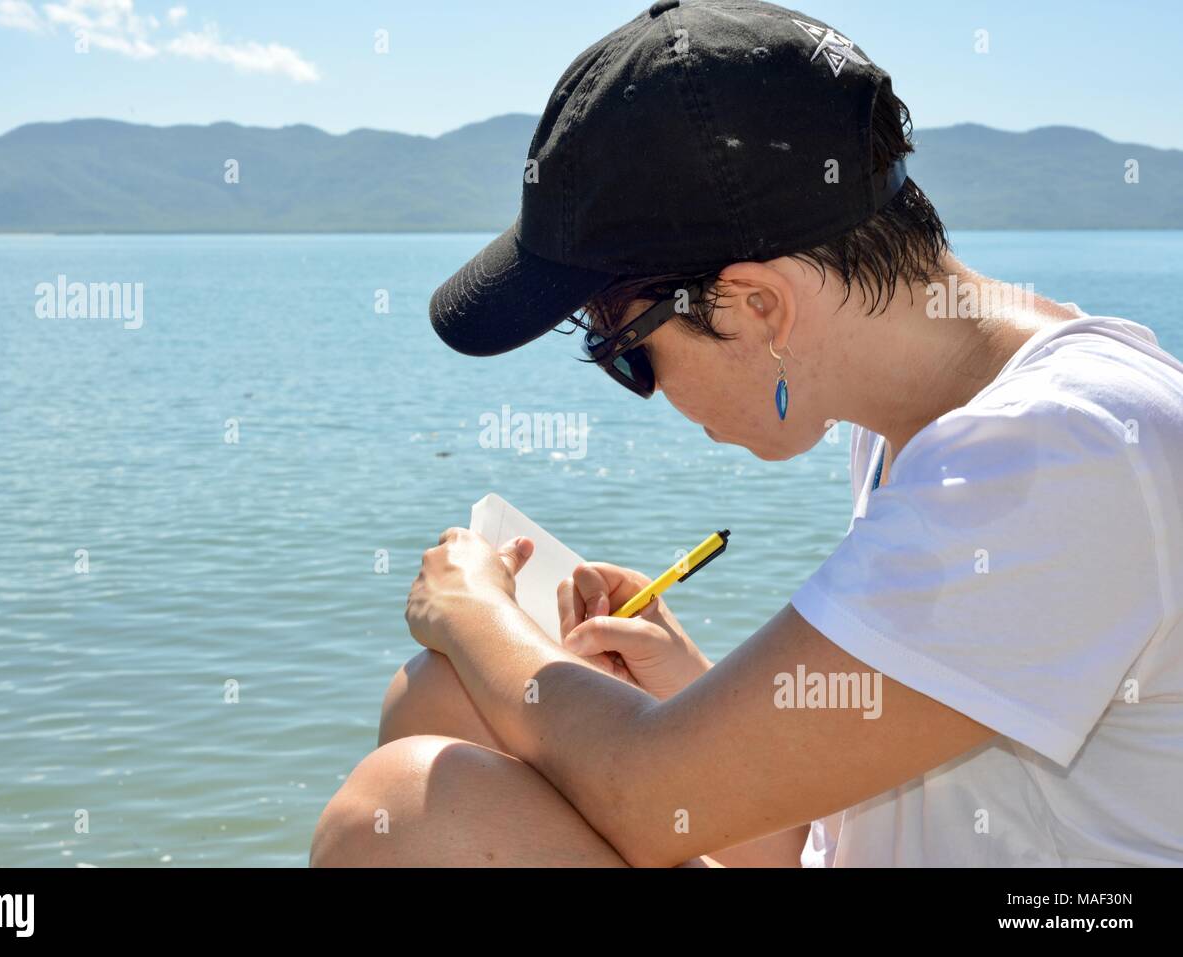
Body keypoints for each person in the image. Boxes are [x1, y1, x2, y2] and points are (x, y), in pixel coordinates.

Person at [311, 0, 1183, 867]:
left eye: (623, 348)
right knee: (444, 699)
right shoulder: (923, 421)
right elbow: (856, 820)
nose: (642, 393)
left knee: (394, 809)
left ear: (758, 305)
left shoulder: (1065, 449)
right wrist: (697, 697)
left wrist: (476, 614)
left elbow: (657, 802)